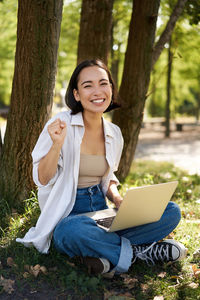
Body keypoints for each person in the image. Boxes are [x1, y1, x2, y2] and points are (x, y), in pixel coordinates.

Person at [17, 59, 187, 276]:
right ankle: (138, 253)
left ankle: (104, 254)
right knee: (70, 232)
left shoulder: (114, 133)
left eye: (103, 83)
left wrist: (117, 198)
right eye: (88, 85)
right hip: (70, 215)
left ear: (111, 89)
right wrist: (56, 145)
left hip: (101, 212)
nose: (97, 91)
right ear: (77, 94)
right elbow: (42, 178)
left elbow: (107, 177)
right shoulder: (61, 124)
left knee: (170, 210)